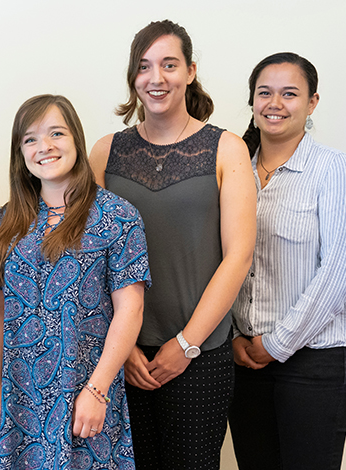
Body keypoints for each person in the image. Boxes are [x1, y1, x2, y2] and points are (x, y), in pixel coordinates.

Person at [89, 19, 257, 469]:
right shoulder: (105, 152)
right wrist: (118, 352)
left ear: (190, 71)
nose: (156, 78)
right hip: (121, 355)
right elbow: (88, 261)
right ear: (133, 77)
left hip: (200, 353)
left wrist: (186, 344)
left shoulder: (226, 148)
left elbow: (238, 256)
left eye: (168, 65)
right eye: (144, 67)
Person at [0, 94, 151, 469]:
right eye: (30, 139)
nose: (44, 147)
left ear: (75, 137)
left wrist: (98, 389)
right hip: (20, 400)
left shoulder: (117, 216)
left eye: (55, 133)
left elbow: (131, 309)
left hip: (86, 392)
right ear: (20, 153)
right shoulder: (7, 222)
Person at [227, 52, 346, 470]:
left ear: (312, 102)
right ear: (251, 102)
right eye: (264, 93)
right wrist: (234, 335)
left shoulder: (333, 170)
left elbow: (338, 274)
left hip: (316, 361)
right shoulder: (234, 174)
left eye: (290, 93)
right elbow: (229, 263)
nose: (275, 103)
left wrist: (276, 343)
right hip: (246, 360)